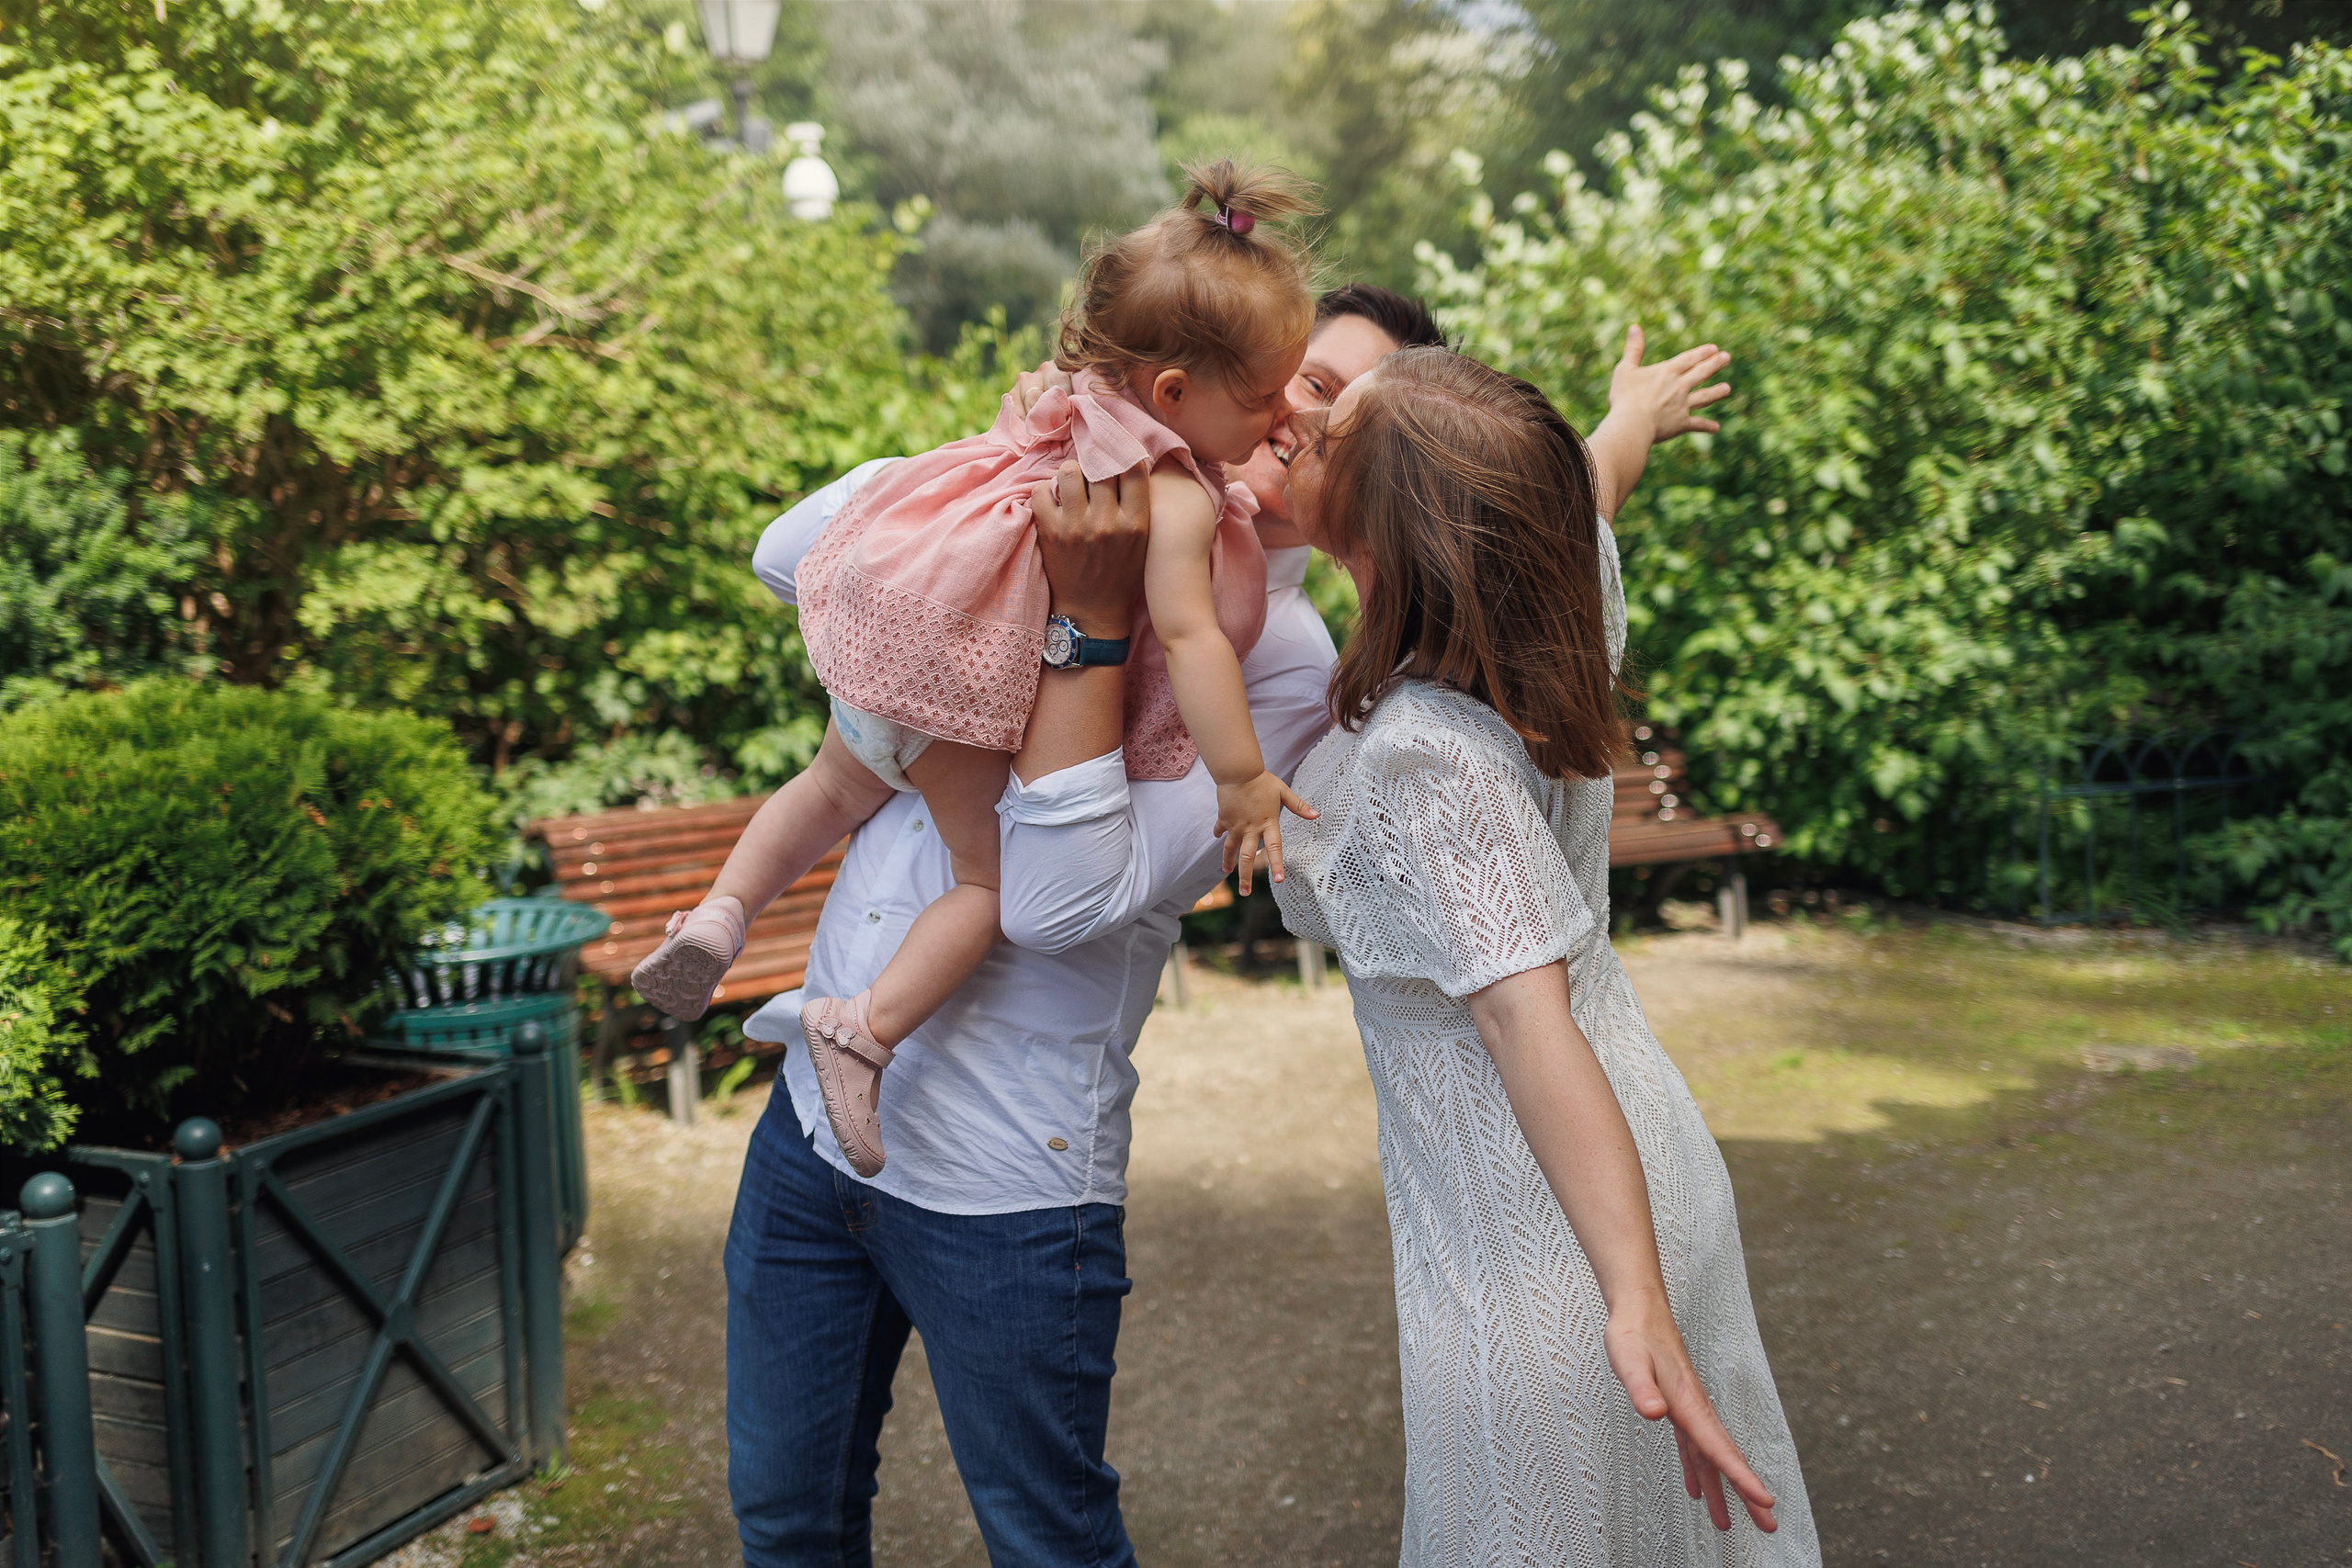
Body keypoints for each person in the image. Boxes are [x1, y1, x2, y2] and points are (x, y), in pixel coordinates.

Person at [722, 281, 1439, 1566]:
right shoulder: (1049, 488)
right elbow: (789, 550)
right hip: (811, 1128)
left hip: (1008, 1178)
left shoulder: (1283, 672)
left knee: (1047, 1542)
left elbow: (1054, 902)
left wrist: (1089, 621)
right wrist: (994, 471)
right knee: (784, 1518)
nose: (1293, 415)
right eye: (1289, 378)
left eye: (1334, 404)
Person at [631, 161, 1317, 1178]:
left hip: (881, 671)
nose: (1284, 420)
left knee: (822, 789)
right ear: (1175, 392)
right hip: (965, 709)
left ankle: (721, 914)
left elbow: (839, 536)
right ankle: (862, 1031)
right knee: (986, 884)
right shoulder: (1169, 497)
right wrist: (1239, 775)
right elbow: (1192, 641)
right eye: (1267, 397)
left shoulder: (1056, 408)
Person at [1267, 344, 1822, 1564]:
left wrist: (1628, 1291)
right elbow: (1588, 491)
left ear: (1391, 525)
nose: (1296, 421)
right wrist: (1629, 420)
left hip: (1538, 1216)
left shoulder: (1426, 753)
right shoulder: (1550, 622)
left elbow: (1526, 1017)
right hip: (1635, 1154)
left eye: (1330, 420)